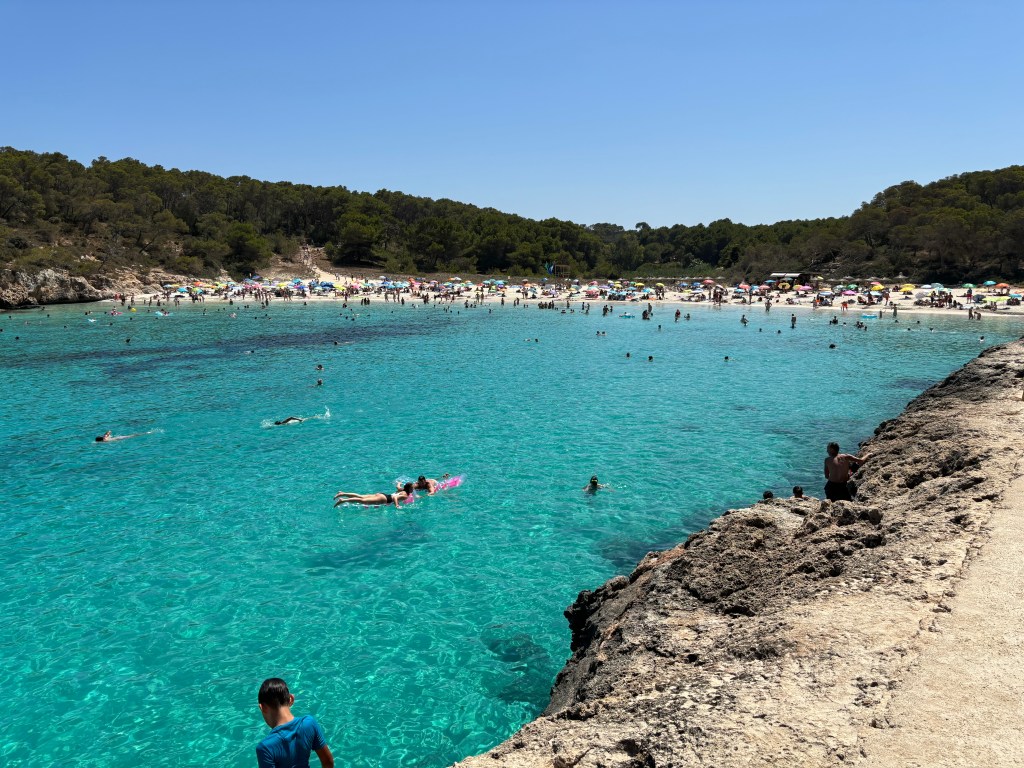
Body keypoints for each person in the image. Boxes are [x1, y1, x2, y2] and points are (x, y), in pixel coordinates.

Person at [256, 678, 334, 768]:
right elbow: (328, 761)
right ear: (291, 699)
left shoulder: (265, 747)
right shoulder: (309, 723)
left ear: (262, 707)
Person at [334, 482, 415, 507]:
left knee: (360, 496)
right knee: (362, 501)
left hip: (382, 495)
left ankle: (343, 493)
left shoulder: (402, 489)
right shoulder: (405, 495)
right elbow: (395, 497)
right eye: (412, 488)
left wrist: (399, 483)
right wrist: (397, 505)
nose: (413, 489)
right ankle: (343, 500)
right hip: (384, 499)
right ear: (409, 489)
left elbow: (398, 487)